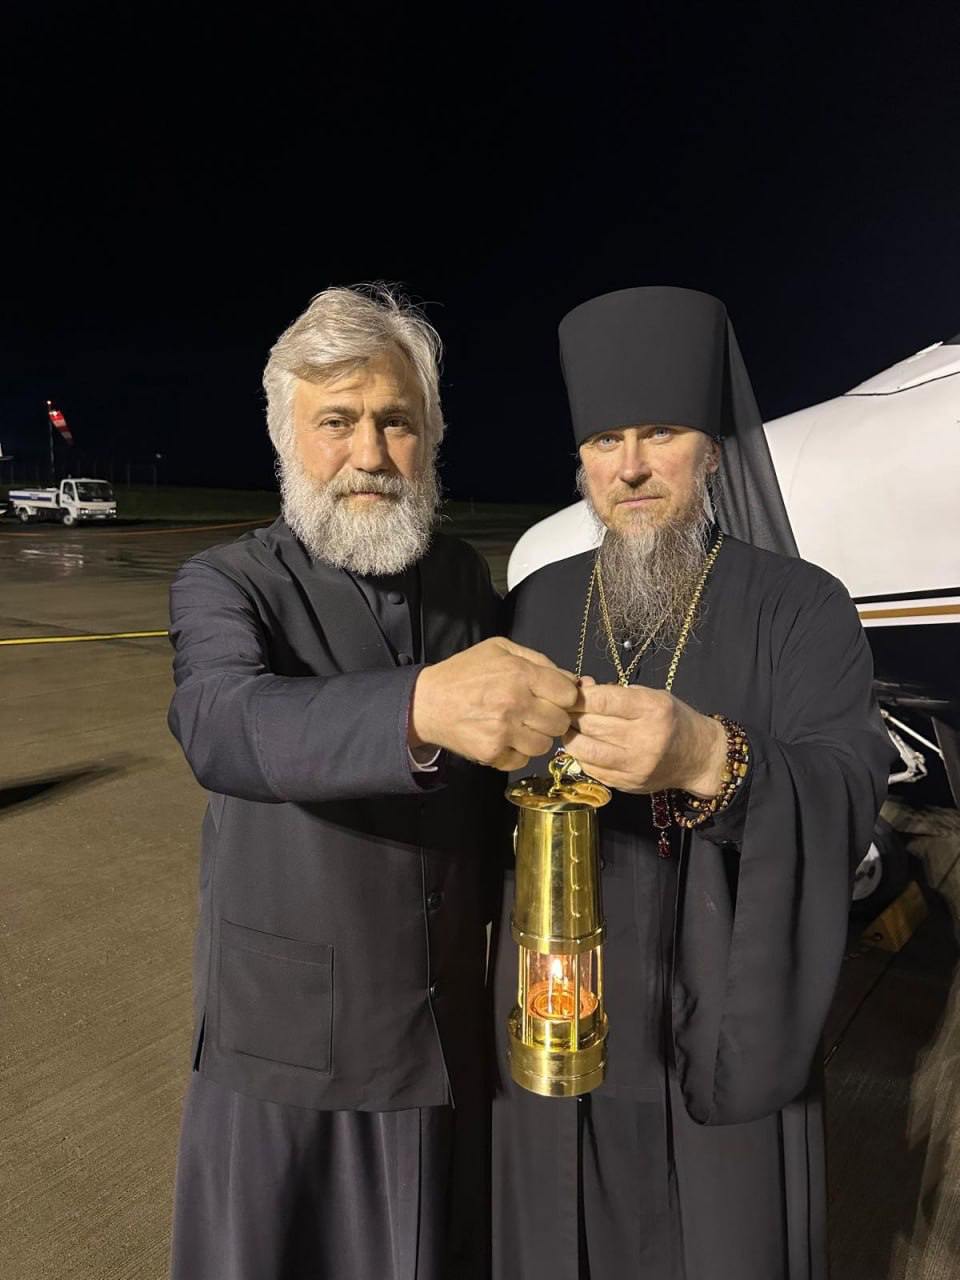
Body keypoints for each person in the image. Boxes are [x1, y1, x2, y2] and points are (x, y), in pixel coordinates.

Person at [166, 284, 580, 1280]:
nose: (370, 452)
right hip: (292, 1047)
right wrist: (418, 706)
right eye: (337, 422)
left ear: (429, 438)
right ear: (287, 438)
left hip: (444, 1035)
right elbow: (223, 723)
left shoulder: (463, 582)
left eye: (396, 422)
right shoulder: (229, 583)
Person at [491, 285, 893, 1280]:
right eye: (605, 441)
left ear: (711, 450)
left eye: (659, 434)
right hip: (560, 1024)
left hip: (721, 1023)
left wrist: (712, 758)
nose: (630, 467)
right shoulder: (533, 605)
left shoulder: (801, 604)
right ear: (582, 461)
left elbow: (849, 789)